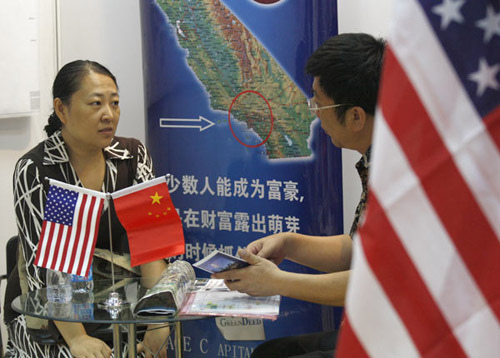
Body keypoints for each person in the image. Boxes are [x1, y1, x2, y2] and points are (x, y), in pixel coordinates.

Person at [213, 33, 386, 357]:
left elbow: (379, 282)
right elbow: (361, 249)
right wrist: (289, 243)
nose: (315, 113)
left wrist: (277, 282)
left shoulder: (404, 181)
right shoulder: (377, 159)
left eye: (319, 103)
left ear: (356, 116)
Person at [4, 60, 169, 358]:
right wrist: (78, 339)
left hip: (123, 307)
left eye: (115, 103)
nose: (109, 115)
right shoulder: (39, 169)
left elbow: (153, 246)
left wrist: (158, 323)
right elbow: (45, 268)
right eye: (96, 103)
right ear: (62, 109)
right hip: (54, 316)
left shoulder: (132, 155)